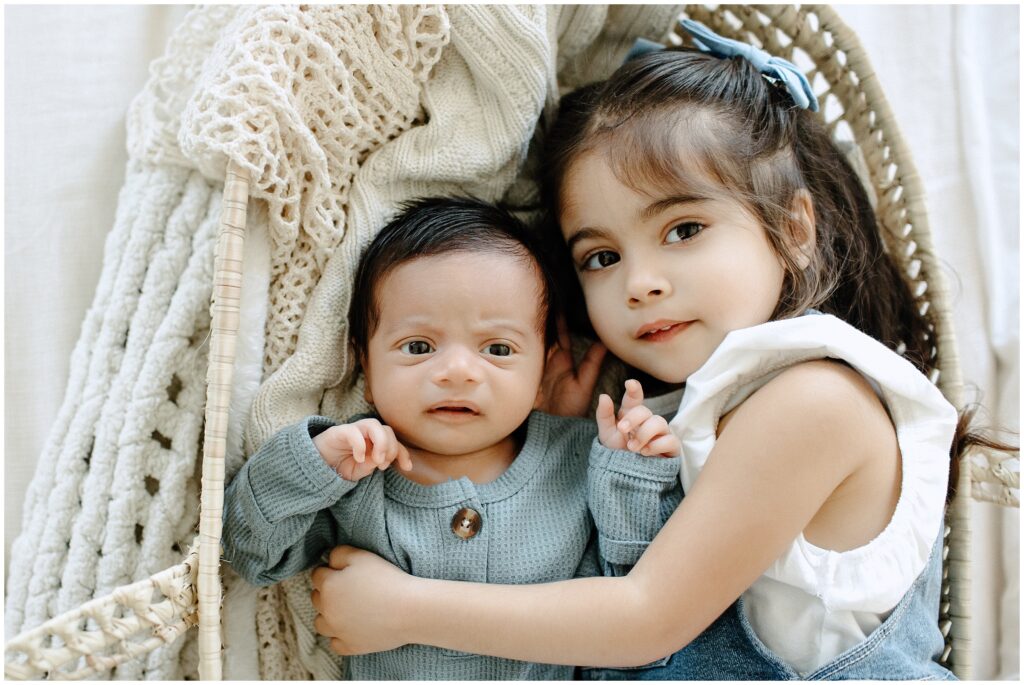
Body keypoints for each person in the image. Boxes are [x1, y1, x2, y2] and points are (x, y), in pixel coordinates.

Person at [305, 21, 980, 680]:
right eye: (601, 256)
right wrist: (561, 440)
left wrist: (407, 609)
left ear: (793, 229)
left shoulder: (816, 399)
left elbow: (647, 616)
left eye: (684, 228)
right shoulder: (676, 409)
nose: (640, 282)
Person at [221, 196, 683, 680]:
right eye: (419, 347)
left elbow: (632, 596)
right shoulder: (356, 473)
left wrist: (633, 476)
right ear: (365, 363)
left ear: (543, 369)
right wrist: (311, 465)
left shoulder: (578, 458)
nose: (458, 372)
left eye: (498, 349)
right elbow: (249, 553)